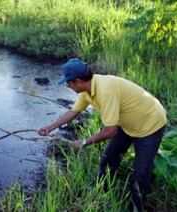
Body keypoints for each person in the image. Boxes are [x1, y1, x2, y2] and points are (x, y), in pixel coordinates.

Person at [38, 58, 167, 211]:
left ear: (78, 81)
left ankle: (136, 207)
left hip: (150, 123)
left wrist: (84, 142)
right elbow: (74, 111)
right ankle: (102, 188)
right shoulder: (87, 90)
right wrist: (50, 127)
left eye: (68, 83)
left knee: (141, 172)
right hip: (127, 124)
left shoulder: (106, 90)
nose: (68, 86)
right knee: (109, 157)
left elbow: (110, 131)